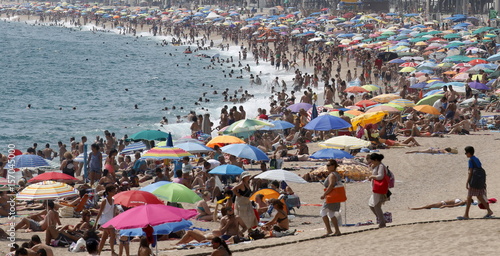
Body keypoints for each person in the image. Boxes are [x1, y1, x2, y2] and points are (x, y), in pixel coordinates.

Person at [460, 146, 493, 219]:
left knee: (469, 197)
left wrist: (467, 182)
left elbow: (470, 172)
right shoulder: (476, 159)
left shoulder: (471, 160)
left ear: (469, 153)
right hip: (480, 181)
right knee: (479, 196)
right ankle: (489, 211)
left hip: (474, 182)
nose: (465, 154)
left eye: (466, 153)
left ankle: (466, 215)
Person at [319, 160, 342, 236]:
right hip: (336, 196)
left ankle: (329, 230)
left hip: (331, 196)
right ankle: (337, 230)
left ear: (333, 166)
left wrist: (324, 194)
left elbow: (331, 185)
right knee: (331, 213)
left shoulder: (332, 175)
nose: (327, 167)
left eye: (328, 165)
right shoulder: (336, 174)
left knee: (323, 212)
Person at [94, 185, 118, 255]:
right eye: (113, 191)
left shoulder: (113, 200)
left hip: (110, 220)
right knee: (112, 235)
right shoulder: (104, 201)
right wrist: (96, 222)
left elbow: (113, 212)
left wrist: (114, 220)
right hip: (104, 220)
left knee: (104, 238)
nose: (114, 192)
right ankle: (112, 251)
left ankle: (98, 252)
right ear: (109, 192)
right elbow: (100, 212)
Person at [368, 153, 388, 228]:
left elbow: (380, 176)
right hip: (375, 189)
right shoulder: (377, 166)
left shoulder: (381, 166)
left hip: (379, 188)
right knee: (371, 204)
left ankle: (382, 222)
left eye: (372, 161)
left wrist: (372, 176)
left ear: (376, 160)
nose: (371, 162)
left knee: (376, 205)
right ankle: (382, 219)